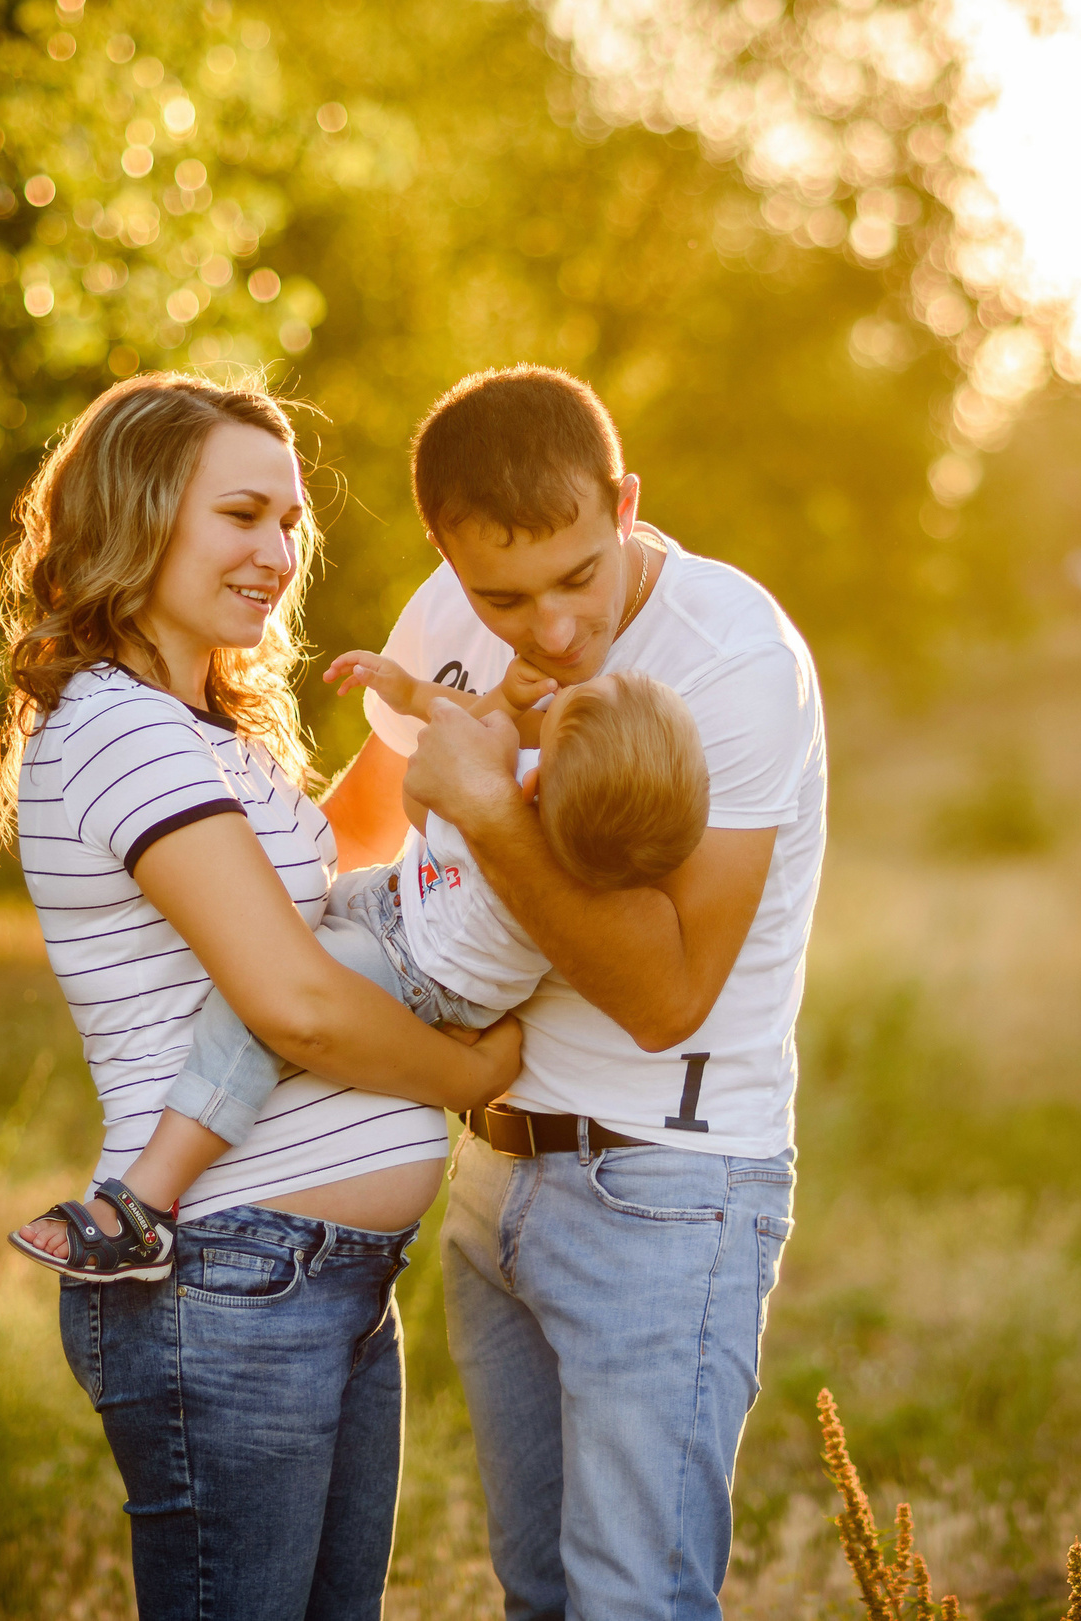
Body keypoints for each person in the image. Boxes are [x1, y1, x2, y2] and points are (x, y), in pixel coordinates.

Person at [0, 371, 521, 1620]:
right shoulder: (118, 728)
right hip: (228, 1278)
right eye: (240, 515)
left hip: (319, 1278)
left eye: (288, 523)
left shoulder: (206, 730)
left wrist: (441, 732)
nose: (276, 553)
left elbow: (329, 888)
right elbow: (293, 999)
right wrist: (469, 1079)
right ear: (140, 511)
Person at [324, 365, 829, 1619]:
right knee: (539, 1597)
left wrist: (495, 812)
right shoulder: (445, 608)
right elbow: (358, 827)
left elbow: (668, 993)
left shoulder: (734, 663)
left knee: (632, 1603)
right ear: (445, 548)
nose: (547, 629)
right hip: (491, 1173)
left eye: (577, 576)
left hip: (665, 1186)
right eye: (504, 594)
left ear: (624, 503)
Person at [39, 658, 707, 1232]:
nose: (553, 695)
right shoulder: (570, 850)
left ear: (534, 787)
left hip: (410, 964)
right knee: (272, 927)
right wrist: (434, 699)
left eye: (557, 713)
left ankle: (145, 1198)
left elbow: (423, 794)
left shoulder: (507, 837)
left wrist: (498, 717)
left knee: (258, 1007)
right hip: (396, 911)